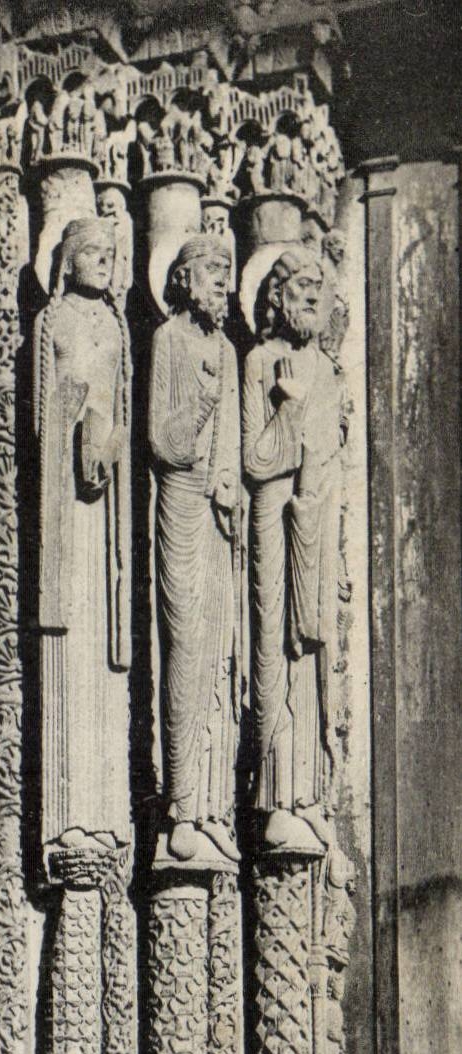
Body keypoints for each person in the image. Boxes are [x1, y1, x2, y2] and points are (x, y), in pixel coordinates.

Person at [34, 215, 132, 859]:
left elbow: (122, 407)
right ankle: (68, 815)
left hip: (107, 509)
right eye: (90, 252)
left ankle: (106, 814)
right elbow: (44, 410)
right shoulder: (53, 322)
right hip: (65, 506)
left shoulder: (119, 327)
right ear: (66, 261)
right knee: (70, 642)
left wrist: (109, 442)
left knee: (103, 648)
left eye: (110, 253)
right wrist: (76, 437)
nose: (102, 261)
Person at [243, 244, 346, 853]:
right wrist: (287, 412)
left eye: (320, 287)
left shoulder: (330, 369)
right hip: (274, 516)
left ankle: (305, 794)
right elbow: (258, 461)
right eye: (300, 286)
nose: (312, 295)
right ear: (275, 298)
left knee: (311, 650)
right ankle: (274, 796)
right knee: (275, 645)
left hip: (315, 519)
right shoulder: (261, 361)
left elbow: (330, 454)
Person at [149, 234, 241, 864]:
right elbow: (164, 440)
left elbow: (229, 443)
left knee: (218, 653)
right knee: (183, 651)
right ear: (181, 280)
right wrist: (204, 400)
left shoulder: (228, 351)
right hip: (180, 507)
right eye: (212, 273)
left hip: (217, 515)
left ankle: (211, 807)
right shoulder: (169, 341)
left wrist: (230, 481)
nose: (223, 285)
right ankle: (180, 806)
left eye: (228, 275)